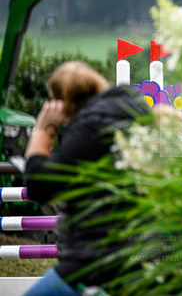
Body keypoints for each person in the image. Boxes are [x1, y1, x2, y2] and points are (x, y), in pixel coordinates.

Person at [23, 61, 150, 295]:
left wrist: (43, 130)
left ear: (62, 103)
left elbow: (39, 186)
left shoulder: (91, 126)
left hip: (94, 258)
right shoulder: (133, 113)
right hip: (142, 251)